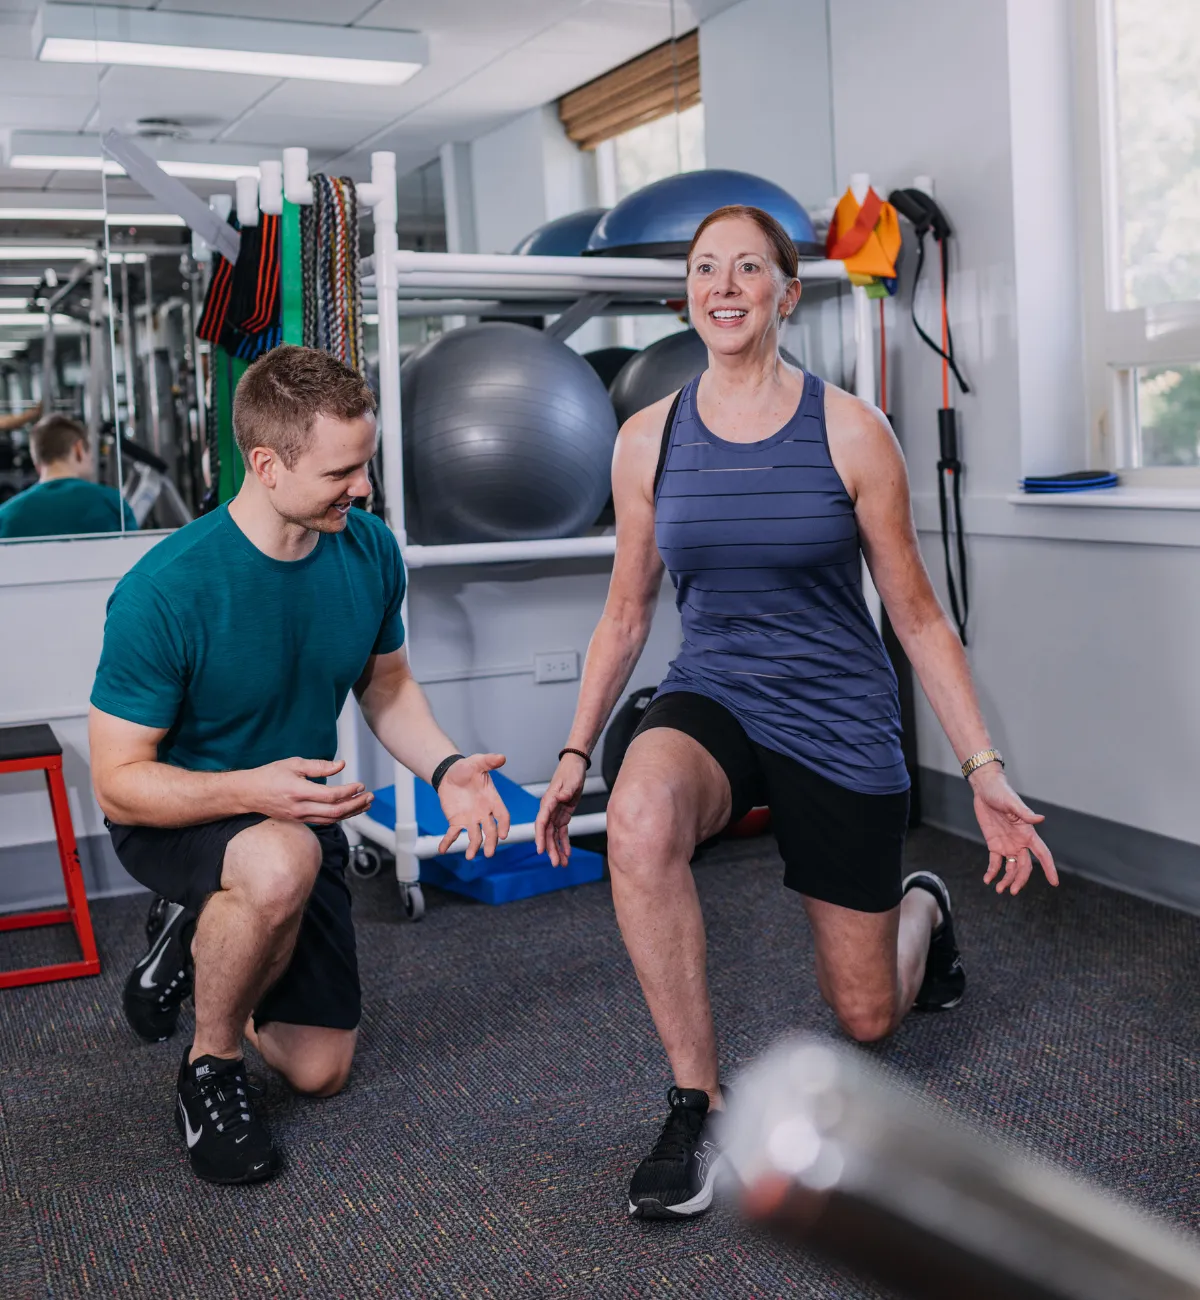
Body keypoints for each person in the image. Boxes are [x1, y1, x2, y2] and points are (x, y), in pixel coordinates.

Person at [534, 205, 1058, 1221]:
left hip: (836, 714)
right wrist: (571, 751)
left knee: (865, 1019)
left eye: (745, 269)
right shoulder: (648, 439)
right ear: (686, 292)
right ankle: (697, 1102)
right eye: (702, 268)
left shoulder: (852, 431)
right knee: (638, 820)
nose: (721, 285)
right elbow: (628, 610)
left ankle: (921, 909)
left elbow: (915, 615)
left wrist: (983, 764)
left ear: (788, 292)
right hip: (714, 696)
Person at [89, 345, 510, 1186]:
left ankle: (199, 932)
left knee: (320, 1070)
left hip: (297, 815)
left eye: (367, 465)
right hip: (184, 809)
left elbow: (385, 684)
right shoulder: (165, 591)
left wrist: (447, 768)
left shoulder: (367, 550)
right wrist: (252, 792)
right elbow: (118, 781)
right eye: (342, 472)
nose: (363, 489)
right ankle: (209, 1068)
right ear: (268, 464)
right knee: (281, 857)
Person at [0, 412, 136, 539]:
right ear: (78, 450)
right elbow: (139, 559)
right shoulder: (112, 504)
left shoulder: (5, 516)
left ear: (36, 461)